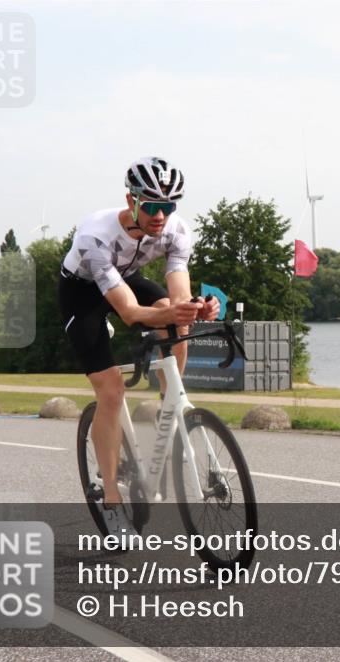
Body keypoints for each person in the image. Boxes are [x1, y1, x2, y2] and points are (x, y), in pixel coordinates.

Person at [59, 156, 219, 535]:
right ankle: (111, 497)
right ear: (131, 200)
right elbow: (130, 312)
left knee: (170, 312)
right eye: (152, 206)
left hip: (126, 277)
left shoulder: (177, 231)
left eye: (168, 206)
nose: (160, 215)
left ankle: (172, 407)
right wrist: (173, 313)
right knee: (111, 392)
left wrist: (193, 309)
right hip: (83, 294)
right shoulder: (95, 235)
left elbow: (177, 292)